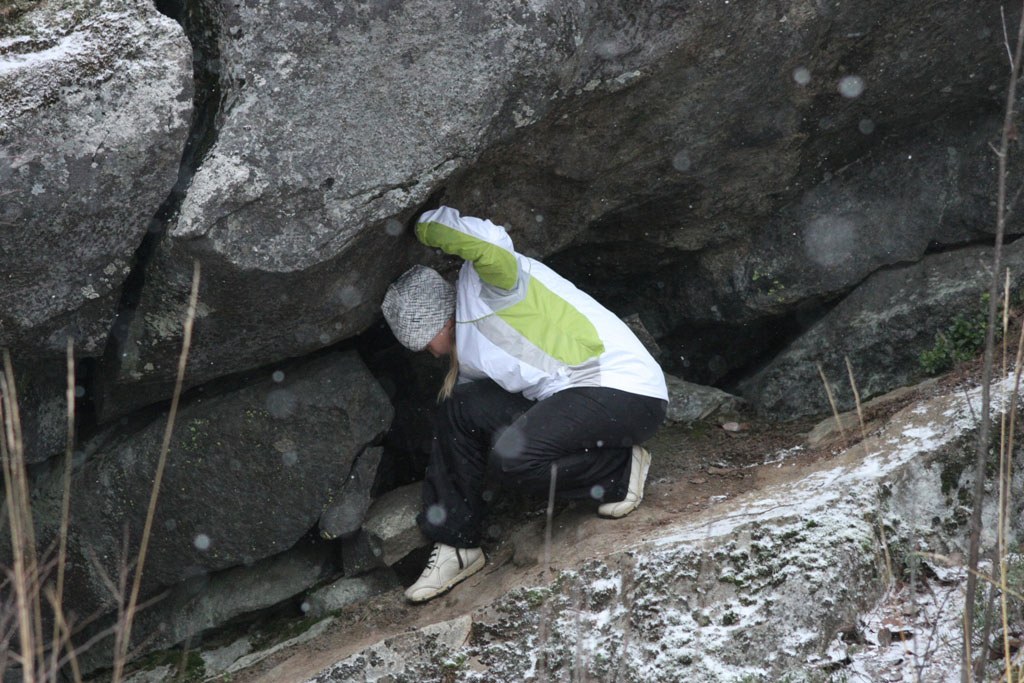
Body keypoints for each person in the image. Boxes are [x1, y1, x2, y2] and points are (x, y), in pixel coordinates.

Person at [381, 206, 668, 603]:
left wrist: (426, 225)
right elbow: (462, 430)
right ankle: (457, 544)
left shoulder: (490, 287)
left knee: (512, 460)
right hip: (572, 398)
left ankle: (619, 470)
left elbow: (492, 245)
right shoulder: (471, 359)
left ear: (436, 323)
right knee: (458, 407)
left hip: (623, 390)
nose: (428, 354)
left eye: (422, 342)